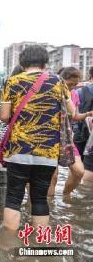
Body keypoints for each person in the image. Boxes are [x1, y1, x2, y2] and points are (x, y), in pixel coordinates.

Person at [0, 45, 75, 231]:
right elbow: (71, 112)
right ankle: (39, 247)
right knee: (40, 198)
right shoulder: (58, 81)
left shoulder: (12, 81)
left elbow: (3, 116)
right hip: (47, 151)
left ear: (22, 62)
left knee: (14, 198)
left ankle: (9, 248)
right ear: (44, 62)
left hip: (18, 150)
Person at [48, 67, 93, 195]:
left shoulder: (74, 94)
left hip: (67, 138)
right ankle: (49, 208)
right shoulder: (51, 91)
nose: (72, 87)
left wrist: (88, 114)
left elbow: (75, 116)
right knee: (53, 177)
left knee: (79, 171)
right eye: (70, 84)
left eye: (75, 85)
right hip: (50, 138)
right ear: (62, 80)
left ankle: (65, 196)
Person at [74, 67, 93, 182]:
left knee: (78, 168)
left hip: (81, 133)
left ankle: (79, 193)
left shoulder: (79, 91)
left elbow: (73, 114)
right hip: (87, 135)